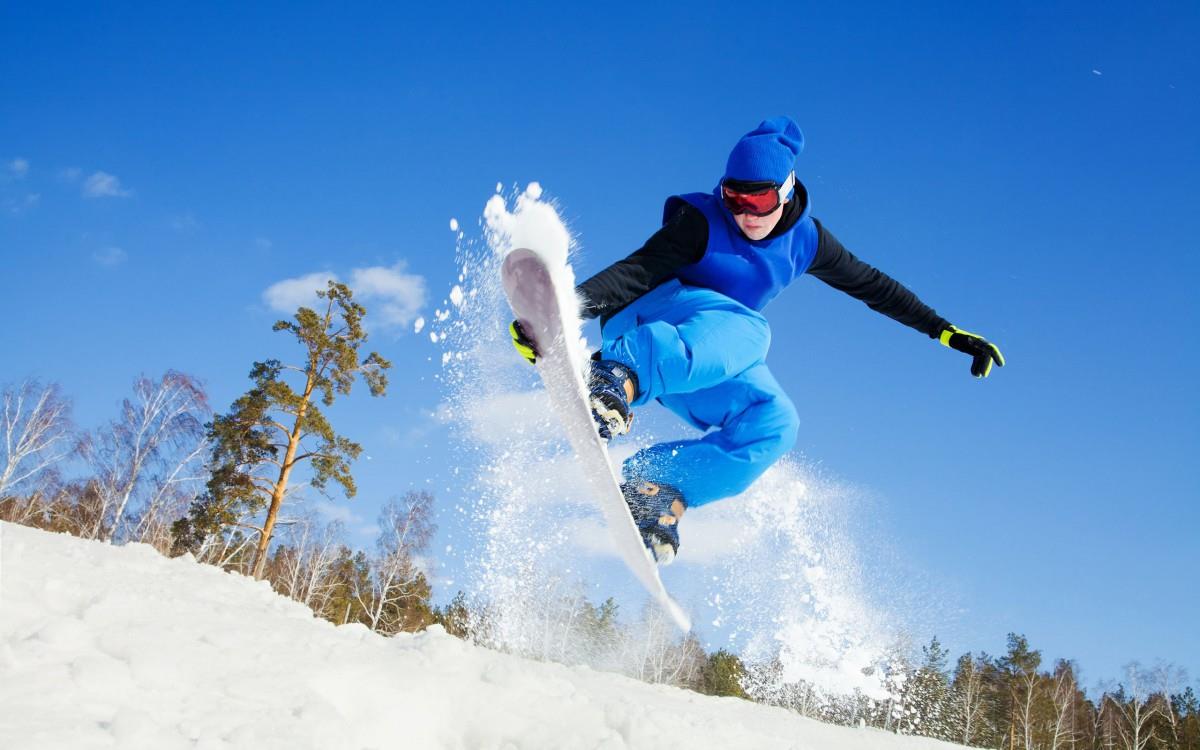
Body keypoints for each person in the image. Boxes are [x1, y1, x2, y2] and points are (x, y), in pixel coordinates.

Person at [509, 116, 1004, 564]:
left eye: (760, 200)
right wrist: (563, 311)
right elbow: (637, 271)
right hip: (644, 327)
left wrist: (947, 333)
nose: (746, 214)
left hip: (703, 358)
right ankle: (615, 378)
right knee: (752, 328)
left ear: (787, 191)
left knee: (775, 422)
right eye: (735, 198)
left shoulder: (809, 242)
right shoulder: (700, 222)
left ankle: (657, 484)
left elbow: (874, 287)